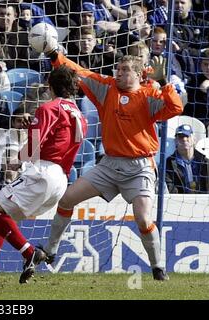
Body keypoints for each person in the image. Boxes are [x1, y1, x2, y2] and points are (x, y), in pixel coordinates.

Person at [40, 36, 184, 281]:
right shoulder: (106, 87)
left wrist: (162, 82)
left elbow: (175, 108)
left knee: (143, 218)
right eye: (118, 69)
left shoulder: (149, 95)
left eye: (126, 70)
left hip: (140, 168)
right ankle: (50, 251)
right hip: (109, 165)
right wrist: (55, 55)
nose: (119, 74)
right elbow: (79, 72)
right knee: (66, 200)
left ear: (139, 75)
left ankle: (158, 267)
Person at [0, 64, 87, 285]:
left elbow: (34, 146)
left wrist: (17, 160)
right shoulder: (80, 117)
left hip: (43, 171)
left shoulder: (49, 108)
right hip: (60, 179)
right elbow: (57, 139)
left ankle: (30, 253)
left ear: (49, 84)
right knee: (0, 218)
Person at [166, 124, 209, 193]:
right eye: (180, 137)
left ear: (193, 140)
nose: (184, 139)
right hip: (179, 201)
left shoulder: (205, 161)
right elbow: (169, 186)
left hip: (203, 200)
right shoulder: (169, 163)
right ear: (175, 141)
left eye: (187, 136)